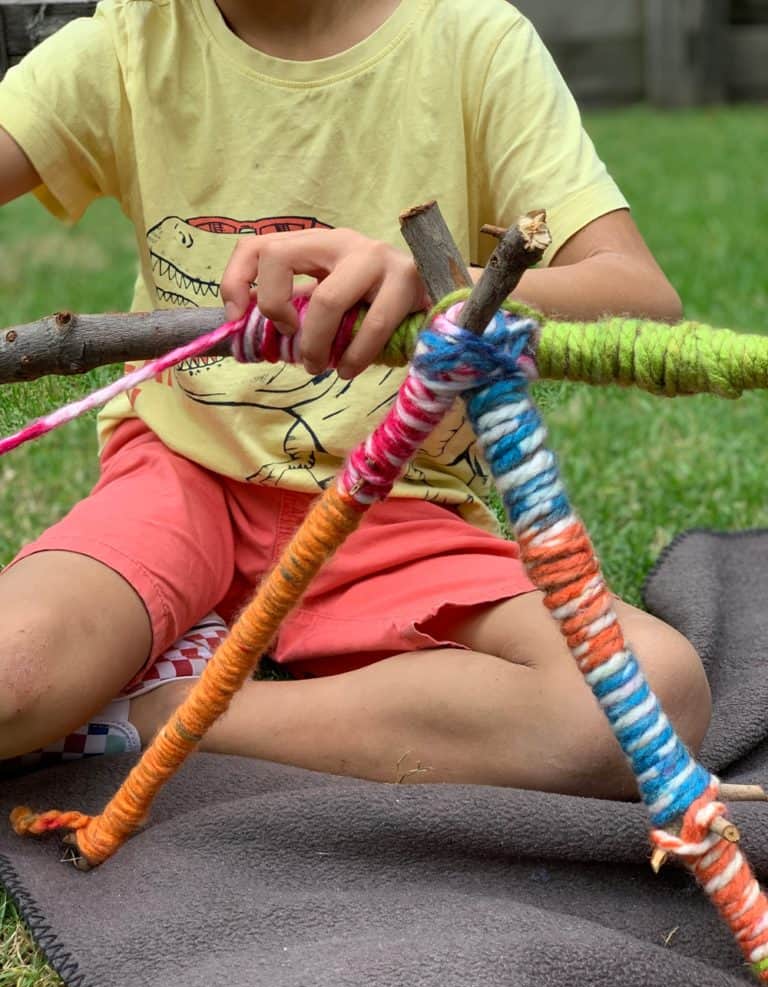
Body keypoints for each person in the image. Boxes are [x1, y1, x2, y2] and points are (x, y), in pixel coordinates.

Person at [0, 0, 710, 795]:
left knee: (647, 696)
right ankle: (151, 651)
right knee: (14, 675)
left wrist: (451, 290)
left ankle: (158, 713)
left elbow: (641, 296)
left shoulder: (474, 40)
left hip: (394, 505)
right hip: (176, 478)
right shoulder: (134, 37)